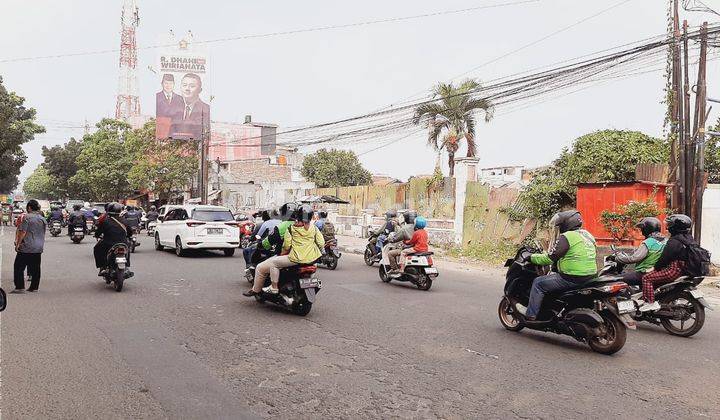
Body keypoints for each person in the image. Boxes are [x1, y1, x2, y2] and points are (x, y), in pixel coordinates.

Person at [517, 210, 597, 321]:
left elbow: (549, 259)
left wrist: (531, 257)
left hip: (572, 278)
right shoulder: (588, 235)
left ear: (566, 224)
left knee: (538, 283)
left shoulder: (567, 237)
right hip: (591, 276)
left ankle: (530, 314)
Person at [244, 205, 324, 296]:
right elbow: (321, 243)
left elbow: (286, 246)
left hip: (295, 258)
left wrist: (282, 254)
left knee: (270, 264)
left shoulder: (290, 228)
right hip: (312, 259)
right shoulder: (314, 228)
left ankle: (272, 288)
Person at [638, 214, 695, 312]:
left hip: (673, 270)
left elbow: (664, 258)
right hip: (683, 270)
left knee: (646, 278)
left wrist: (655, 268)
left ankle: (650, 303)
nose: (668, 227)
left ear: (676, 226)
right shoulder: (689, 238)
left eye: (670, 225)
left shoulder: (674, 241)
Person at [613, 217, 665, 286]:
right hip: (657, 273)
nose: (641, 230)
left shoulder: (648, 242)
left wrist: (618, 258)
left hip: (644, 273)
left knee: (616, 279)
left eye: (642, 228)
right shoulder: (665, 241)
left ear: (647, 229)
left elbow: (634, 258)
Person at [12, 200, 47, 293]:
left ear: (29, 207)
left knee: (18, 267)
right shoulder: (42, 218)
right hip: (38, 247)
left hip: (27, 246)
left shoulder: (26, 217)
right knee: (36, 268)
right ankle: (34, 287)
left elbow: (22, 232)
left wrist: (18, 244)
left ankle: (20, 287)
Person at [94, 202, 132, 276]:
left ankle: (103, 267)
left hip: (108, 243)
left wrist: (97, 235)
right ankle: (127, 266)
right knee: (127, 249)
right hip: (123, 243)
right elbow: (130, 232)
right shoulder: (125, 221)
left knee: (97, 248)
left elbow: (98, 232)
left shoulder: (105, 221)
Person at [169, 73, 211, 140]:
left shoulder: (206, 109)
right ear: (180, 87)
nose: (187, 89)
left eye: (192, 86)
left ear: (200, 90)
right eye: (184, 85)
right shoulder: (172, 108)